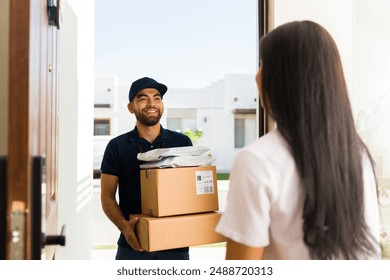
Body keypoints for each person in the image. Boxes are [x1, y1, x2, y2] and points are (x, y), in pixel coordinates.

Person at [215, 21, 381, 260]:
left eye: (262, 64)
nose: (256, 75)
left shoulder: (256, 161)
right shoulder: (357, 152)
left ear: (281, 78)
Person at [100, 77, 192, 260]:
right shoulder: (117, 146)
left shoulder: (182, 142)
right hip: (132, 246)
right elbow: (107, 195)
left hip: (175, 246)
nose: (151, 103)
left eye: (157, 98)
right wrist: (124, 227)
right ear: (131, 107)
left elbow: (190, 192)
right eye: (143, 98)